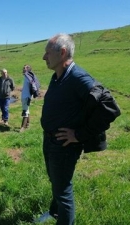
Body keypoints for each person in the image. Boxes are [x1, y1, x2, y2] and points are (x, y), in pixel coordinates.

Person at [38, 33, 114, 224]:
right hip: (50, 140)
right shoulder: (58, 76)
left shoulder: (78, 77)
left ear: (62, 52)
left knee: (63, 191)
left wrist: (79, 135)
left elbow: (109, 106)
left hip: (64, 146)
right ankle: (55, 213)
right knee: (56, 183)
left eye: (47, 53)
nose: (44, 57)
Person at [19, 65, 34, 132]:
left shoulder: (28, 77)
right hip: (25, 96)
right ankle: (27, 124)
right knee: (27, 110)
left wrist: (30, 96)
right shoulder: (26, 77)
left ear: (28, 70)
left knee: (25, 111)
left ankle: (23, 127)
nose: (23, 68)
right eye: (23, 67)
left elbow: (32, 86)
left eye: (26, 68)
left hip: (26, 96)